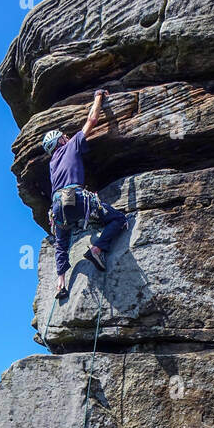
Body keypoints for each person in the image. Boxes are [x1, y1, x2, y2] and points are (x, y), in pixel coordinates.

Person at [43, 89, 129, 300]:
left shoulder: (52, 164)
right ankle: (97, 250)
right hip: (76, 198)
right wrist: (98, 97)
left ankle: (60, 284)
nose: (67, 137)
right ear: (61, 142)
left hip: (57, 208)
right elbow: (92, 119)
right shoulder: (71, 145)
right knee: (118, 219)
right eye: (64, 136)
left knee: (61, 243)